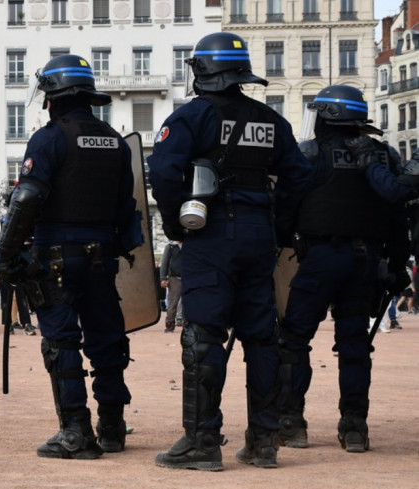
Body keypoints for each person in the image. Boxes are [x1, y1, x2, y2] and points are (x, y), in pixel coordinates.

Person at [147, 32, 313, 470]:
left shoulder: (191, 117)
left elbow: (162, 172)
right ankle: (264, 442)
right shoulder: (271, 120)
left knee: (203, 335)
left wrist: (175, 223)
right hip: (260, 236)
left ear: (202, 70)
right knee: (262, 338)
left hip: (211, 233)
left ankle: (202, 443)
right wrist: (280, 227)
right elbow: (299, 176)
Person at [0, 53, 140, 459]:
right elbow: (126, 207)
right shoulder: (114, 141)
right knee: (107, 341)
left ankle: (75, 432)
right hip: (102, 257)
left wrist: (7, 254)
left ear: (53, 97)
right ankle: (112, 427)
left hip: (56, 256)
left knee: (62, 342)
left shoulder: (49, 138)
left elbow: (27, 198)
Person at [276, 85, 409, 454]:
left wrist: (282, 242)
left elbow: (286, 206)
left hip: (320, 257)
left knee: (293, 339)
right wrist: (397, 265)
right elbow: (398, 216)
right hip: (365, 261)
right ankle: (354, 428)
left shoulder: (310, 153)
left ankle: (291, 423)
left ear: (327, 116)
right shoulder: (383, 155)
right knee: (355, 346)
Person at [0, 234, 36, 336]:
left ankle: (27, 324)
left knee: (22, 298)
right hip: (3, 272)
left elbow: (25, 254)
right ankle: (8, 325)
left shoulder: (19, 239)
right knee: (5, 300)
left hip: (18, 271)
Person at [159, 241, 183, 333]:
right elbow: (164, 263)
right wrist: (163, 278)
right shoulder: (170, 247)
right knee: (173, 302)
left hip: (188, 277)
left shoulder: (190, 244)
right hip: (174, 278)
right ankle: (170, 324)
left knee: (190, 302)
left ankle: (188, 324)